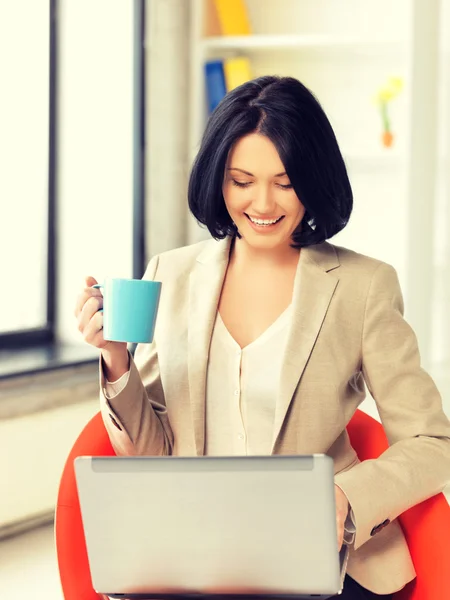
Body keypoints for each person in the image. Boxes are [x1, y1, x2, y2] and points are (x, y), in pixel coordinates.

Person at [75, 75, 450, 599]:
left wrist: (343, 497)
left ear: (312, 179)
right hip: (191, 550)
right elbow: (152, 455)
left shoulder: (363, 286)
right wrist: (116, 359)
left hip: (319, 556)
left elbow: (432, 442)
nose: (262, 202)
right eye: (241, 180)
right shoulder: (171, 275)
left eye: (285, 181)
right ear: (218, 180)